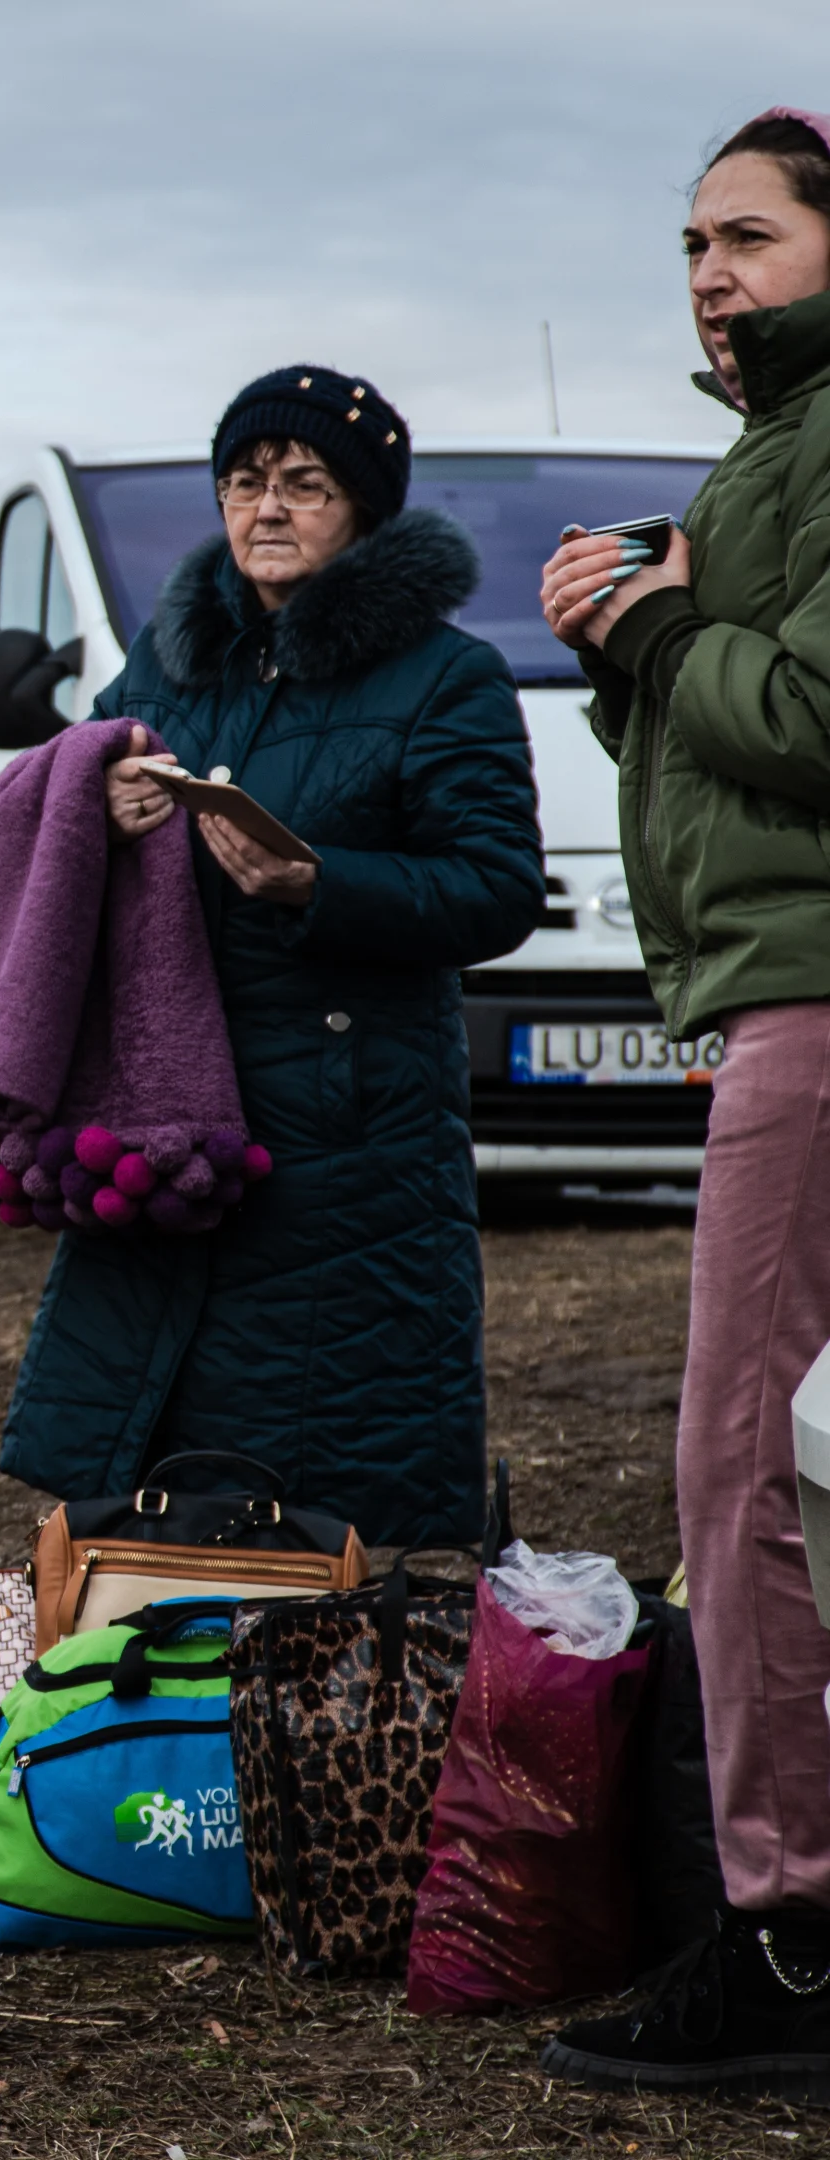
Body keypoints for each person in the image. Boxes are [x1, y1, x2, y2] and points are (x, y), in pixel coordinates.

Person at [1, 366, 539, 1550]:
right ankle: (165, 1700)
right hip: (169, 1107)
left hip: (348, 1145)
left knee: (317, 1483)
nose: (269, 508)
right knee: (151, 1466)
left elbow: (498, 889)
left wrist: (321, 883)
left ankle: (303, 1701)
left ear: (365, 510)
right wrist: (105, 805)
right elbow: (83, 778)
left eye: (305, 483)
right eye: (245, 482)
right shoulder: (173, 658)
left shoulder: (447, 677)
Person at [529, 108, 830, 2093]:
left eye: (747, 238)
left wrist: (648, 625)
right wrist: (636, 636)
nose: (710, 275)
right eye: (690, 250)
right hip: (780, 997)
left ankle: (788, 1941)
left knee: (745, 1478)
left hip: (814, 1008)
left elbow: (808, 722)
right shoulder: (763, 462)